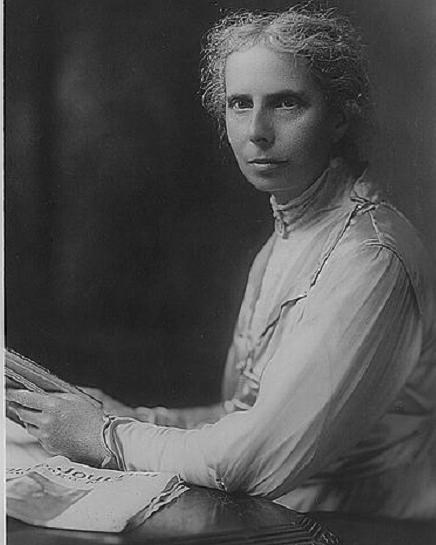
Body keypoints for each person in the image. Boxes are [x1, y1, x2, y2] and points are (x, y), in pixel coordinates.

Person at [7, 5, 436, 518]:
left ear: (341, 114)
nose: (257, 130)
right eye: (239, 103)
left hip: (363, 530)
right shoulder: (286, 241)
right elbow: (244, 416)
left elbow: (252, 460)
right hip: (278, 519)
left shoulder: (370, 257)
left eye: (286, 104)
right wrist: (134, 416)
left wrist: (105, 436)